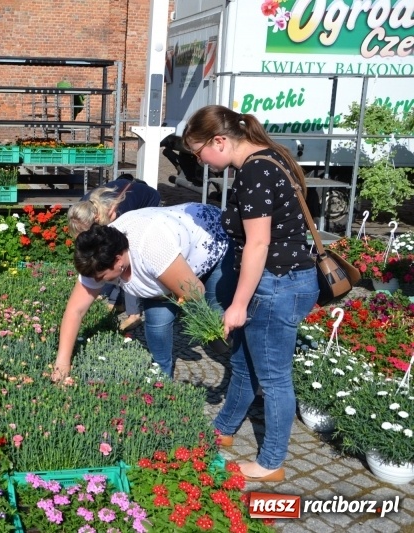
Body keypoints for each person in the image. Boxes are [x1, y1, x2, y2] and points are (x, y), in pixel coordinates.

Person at [182, 104, 319, 483]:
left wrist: (238, 305)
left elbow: (259, 244)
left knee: (274, 378)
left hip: (276, 284)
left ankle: (271, 462)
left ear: (220, 141)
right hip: (285, 279)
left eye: (199, 152)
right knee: (243, 363)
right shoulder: (272, 157)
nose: (201, 160)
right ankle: (225, 427)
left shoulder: (255, 170)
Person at [52, 203, 236, 381]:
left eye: (101, 277)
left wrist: (173, 296)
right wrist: (62, 362)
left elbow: (194, 292)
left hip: (212, 239)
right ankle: (162, 381)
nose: (97, 282)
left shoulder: (151, 250)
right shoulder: (95, 255)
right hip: (169, 254)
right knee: (157, 327)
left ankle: (243, 370)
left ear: (118, 261)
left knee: (217, 317)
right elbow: (75, 311)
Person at [67, 174, 161, 331]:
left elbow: (125, 262)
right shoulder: (82, 209)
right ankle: (116, 302)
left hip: (148, 200)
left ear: (95, 221)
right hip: (127, 191)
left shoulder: (118, 216)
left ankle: (134, 314)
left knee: (126, 261)